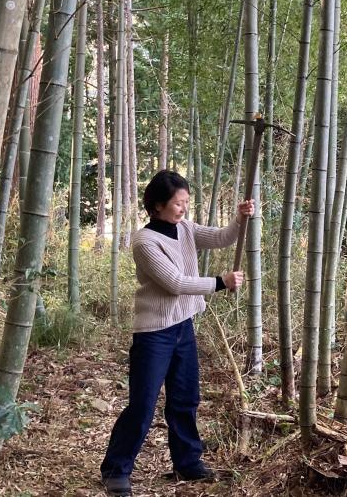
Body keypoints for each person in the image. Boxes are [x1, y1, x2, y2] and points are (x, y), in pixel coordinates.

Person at [100, 170, 253, 496]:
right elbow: (174, 283)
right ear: (157, 206)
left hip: (183, 326)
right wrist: (219, 282)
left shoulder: (184, 228)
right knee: (142, 404)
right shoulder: (145, 242)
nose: (183, 209)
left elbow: (221, 237)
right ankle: (116, 469)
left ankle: (187, 462)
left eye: (186, 202)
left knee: (185, 399)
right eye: (178, 203)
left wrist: (240, 220)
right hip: (155, 333)